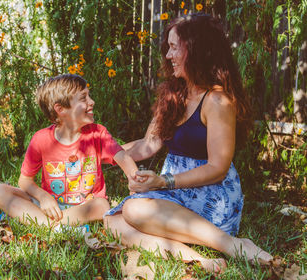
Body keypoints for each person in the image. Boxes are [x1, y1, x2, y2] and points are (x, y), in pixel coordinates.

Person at [104, 14, 273, 273]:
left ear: (196, 51)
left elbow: (217, 167)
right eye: (168, 47)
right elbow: (148, 145)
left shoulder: (218, 101)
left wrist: (163, 181)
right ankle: (201, 260)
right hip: (175, 193)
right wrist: (103, 151)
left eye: (174, 48)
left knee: (134, 209)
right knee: (112, 223)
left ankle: (231, 244)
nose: (168, 55)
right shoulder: (174, 93)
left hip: (211, 193)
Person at [0, 74, 141, 230]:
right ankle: (55, 226)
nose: (92, 102)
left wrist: (135, 180)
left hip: (85, 207)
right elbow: (25, 181)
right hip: (50, 205)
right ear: (60, 109)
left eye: (89, 96)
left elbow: (123, 157)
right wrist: (44, 197)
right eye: (83, 98)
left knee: (101, 205)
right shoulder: (40, 139)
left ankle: (42, 224)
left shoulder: (98, 134)